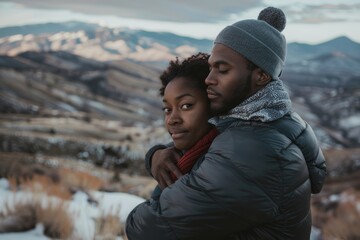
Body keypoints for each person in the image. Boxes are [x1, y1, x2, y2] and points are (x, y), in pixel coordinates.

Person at [126, 7, 327, 240]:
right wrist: (157, 157)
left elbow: (147, 228)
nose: (209, 79)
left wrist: (162, 170)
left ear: (261, 76)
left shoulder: (251, 148)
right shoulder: (272, 123)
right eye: (211, 68)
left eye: (222, 70)